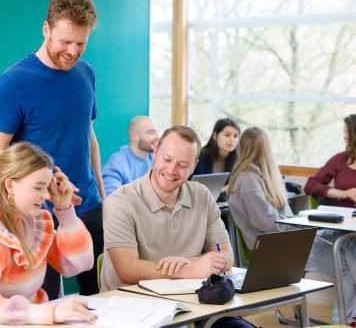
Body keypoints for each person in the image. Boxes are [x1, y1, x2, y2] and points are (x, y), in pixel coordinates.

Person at [0, 0, 102, 297]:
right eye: (65, 41)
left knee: (104, 300)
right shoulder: (13, 83)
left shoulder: (86, 74)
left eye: (81, 43)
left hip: (88, 207)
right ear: (46, 29)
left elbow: (88, 137)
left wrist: (102, 195)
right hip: (35, 215)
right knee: (44, 305)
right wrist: (42, 183)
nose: (73, 51)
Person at [102, 126, 255, 327]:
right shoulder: (120, 202)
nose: (172, 170)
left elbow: (226, 256)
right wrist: (191, 268)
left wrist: (189, 262)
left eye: (183, 164)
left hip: (194, 306)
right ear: (155, 152)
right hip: (135, 310)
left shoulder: (202, 195)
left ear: (194, 166)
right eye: (166, 159)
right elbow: (128, 269)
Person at [228, 127, 356, 325]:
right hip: (274, 247)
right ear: (263, 148)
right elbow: (266, 222)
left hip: (286, 238)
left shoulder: (266, 176)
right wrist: (300, 231)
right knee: (342, 255)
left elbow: (285, 216)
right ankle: (345, 321)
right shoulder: (247, 179)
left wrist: (301, 229)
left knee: (348, 246)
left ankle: (349, 318)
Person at [0, 142, 95, 325]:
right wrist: (50, 313)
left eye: (48, 187)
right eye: (39, 187)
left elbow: (78, 264)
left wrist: (65, 211)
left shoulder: (36, 223)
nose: (47, 196)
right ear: (10, 186)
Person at [305, 113, 356, 208]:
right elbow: (310, 186)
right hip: (340, 217)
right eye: (344, 132)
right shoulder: (340, 159)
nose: (344, 137)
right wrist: (345, 194)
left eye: (347, 132)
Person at [102, 115, 159, 196]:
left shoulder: (156, 158)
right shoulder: (117, 162)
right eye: (151, 132)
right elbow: (111, 197)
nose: (157, 137)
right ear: (134, 136)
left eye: (156, 132)